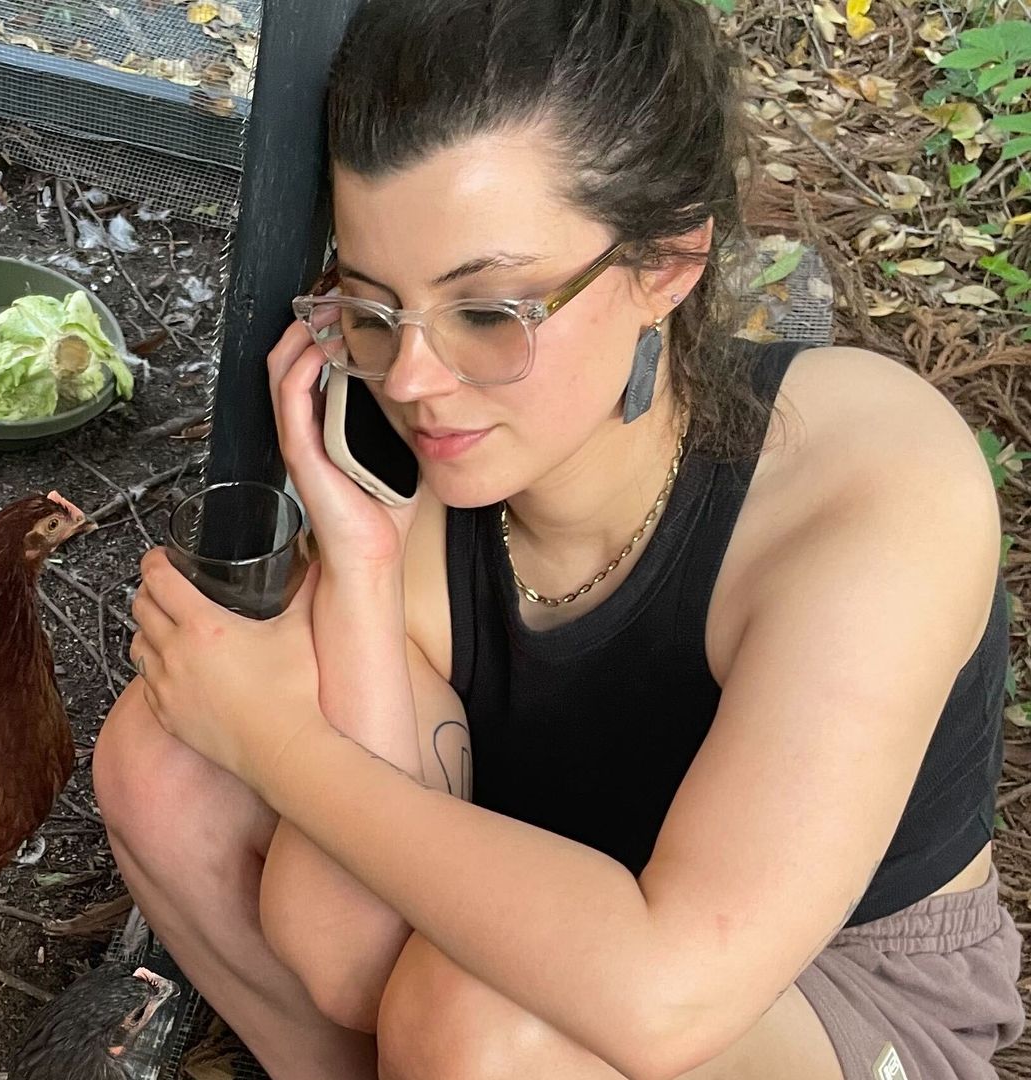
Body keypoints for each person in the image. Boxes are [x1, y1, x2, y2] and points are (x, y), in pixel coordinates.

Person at [93, 2, 1025, 1079]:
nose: (411, 384)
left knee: (485, 1024)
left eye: (489, 311)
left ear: (668, 263)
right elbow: (346, 954)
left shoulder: (869, 484)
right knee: (165, 765)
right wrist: (357, 567)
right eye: (371, 307)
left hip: (815, 991)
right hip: (532, 929)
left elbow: (666, 996)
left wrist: (281, 746)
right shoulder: (425, 482)